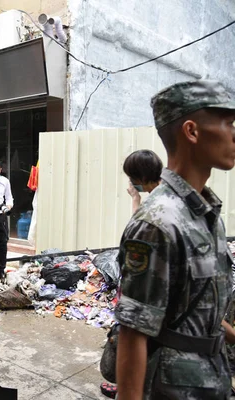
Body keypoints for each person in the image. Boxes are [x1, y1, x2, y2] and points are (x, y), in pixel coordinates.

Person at [115, 80, 235, 400]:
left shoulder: (205, 212)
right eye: (228, 123)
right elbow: (133, 331)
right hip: (176, 386)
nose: (234, 132)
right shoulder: (158, 223)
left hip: (213, 376)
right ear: (192, 132)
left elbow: (195, 307)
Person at [100, 149, 164, 399]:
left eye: (130, 177)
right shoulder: (157, 195)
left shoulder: (159, 203)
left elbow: (137, 233)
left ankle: (128, 386)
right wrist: (135, 198)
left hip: (147, 292)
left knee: (135, 339)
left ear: (138, 176)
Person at [123, 150, 163, 214]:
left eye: (132, 177)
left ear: (143, 178)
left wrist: (135, 198)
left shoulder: (159, 201)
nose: (130, 181)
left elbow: (137, 223)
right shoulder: (162, 190)